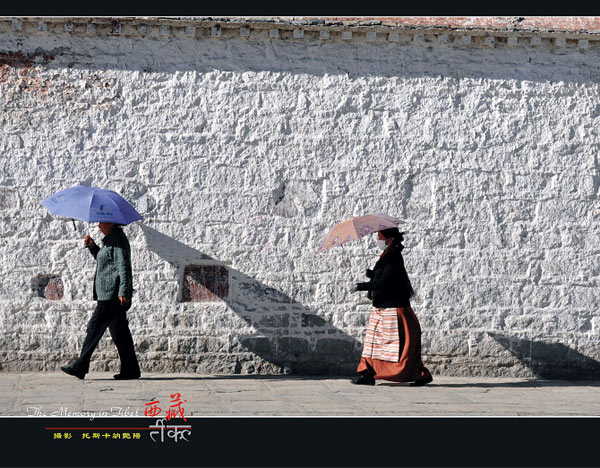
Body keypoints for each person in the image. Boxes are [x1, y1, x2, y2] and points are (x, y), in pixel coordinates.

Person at [351, 227, 432, 386]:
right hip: (381, 308)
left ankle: (419, 375)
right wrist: (372, 273)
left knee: (394, 346)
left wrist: (362, 286)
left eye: (380, 238)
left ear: (389, 240)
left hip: (392, 310)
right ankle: (368, 374)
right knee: (373, 343)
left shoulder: (393, 257)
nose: (378, 241)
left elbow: (385, 282)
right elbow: (382, 275)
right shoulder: (387, 255)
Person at [61, 222, 141, 380]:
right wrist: (93, 247)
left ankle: (79, 367)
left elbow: (123, 267)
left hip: (111, 296)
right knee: (120, 334)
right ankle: (131, 370)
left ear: (110, 223)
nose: (98, 225)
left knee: (93, 328)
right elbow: (105, 260)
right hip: (110, 294)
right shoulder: (111, 240)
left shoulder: (116, 241)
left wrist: (124, 291)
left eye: (101, 222)